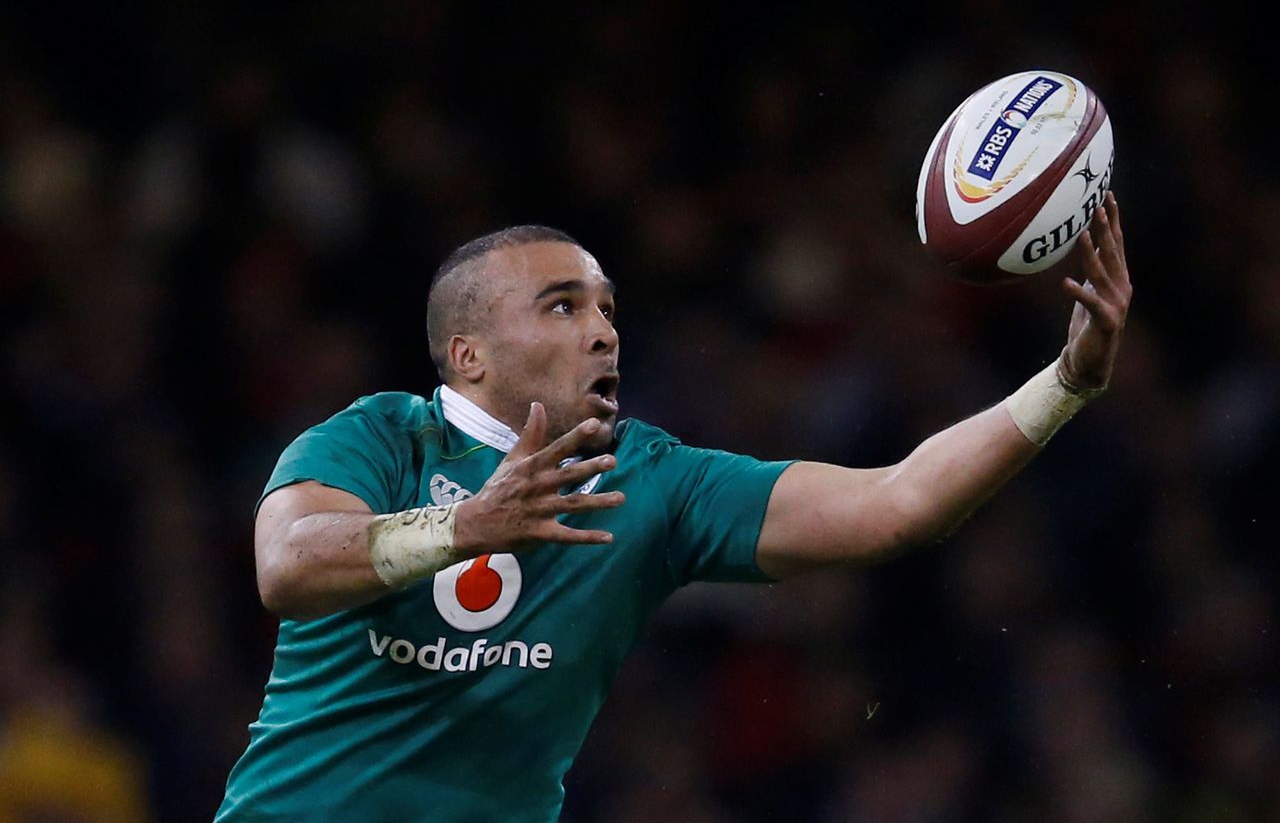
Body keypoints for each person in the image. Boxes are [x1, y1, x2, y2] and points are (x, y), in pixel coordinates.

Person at [215, 193, 1131, 821]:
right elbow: (287, 567)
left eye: (608, 307)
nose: (605, 329)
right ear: (469, 355)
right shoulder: (380, 438)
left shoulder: (654, 482)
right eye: (563, 307)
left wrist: (1065, 384)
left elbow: (901, 501)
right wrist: (464, 526)